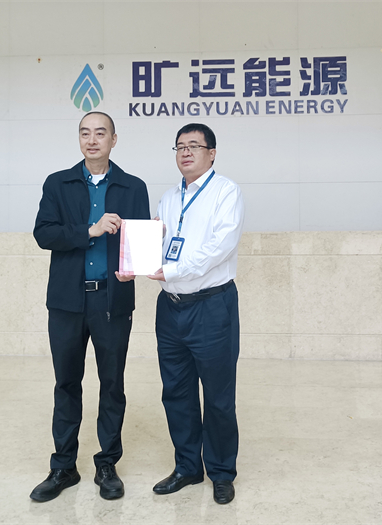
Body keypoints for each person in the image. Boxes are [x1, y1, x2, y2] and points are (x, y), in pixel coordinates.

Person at [30, 112, 150, 502]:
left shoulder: (133, 187)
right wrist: (90, 230)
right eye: (85, 133)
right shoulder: (58, 183)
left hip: (112, 300)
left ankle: (107, 464)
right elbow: (44, 233)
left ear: (114, 139)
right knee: (66, 383)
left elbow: (139, 240)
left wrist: (139, 262)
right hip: (67, 300)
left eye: (101, 133)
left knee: (112, 384)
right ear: (79, 139)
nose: (92, 140)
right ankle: (63, 466)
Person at [148, 123, 244, 504]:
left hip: (211, 307)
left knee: (218, 396)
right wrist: (136, 261)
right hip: (170, 309)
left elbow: (219, 247)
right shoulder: (168, 198)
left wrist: (171, 270)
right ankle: (187, 466)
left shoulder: (226, 192)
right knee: (176, 392)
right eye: (180, 147)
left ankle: (221, 472)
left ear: (212, 153)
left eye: (194, 146)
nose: (185, 152)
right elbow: (159, 244)